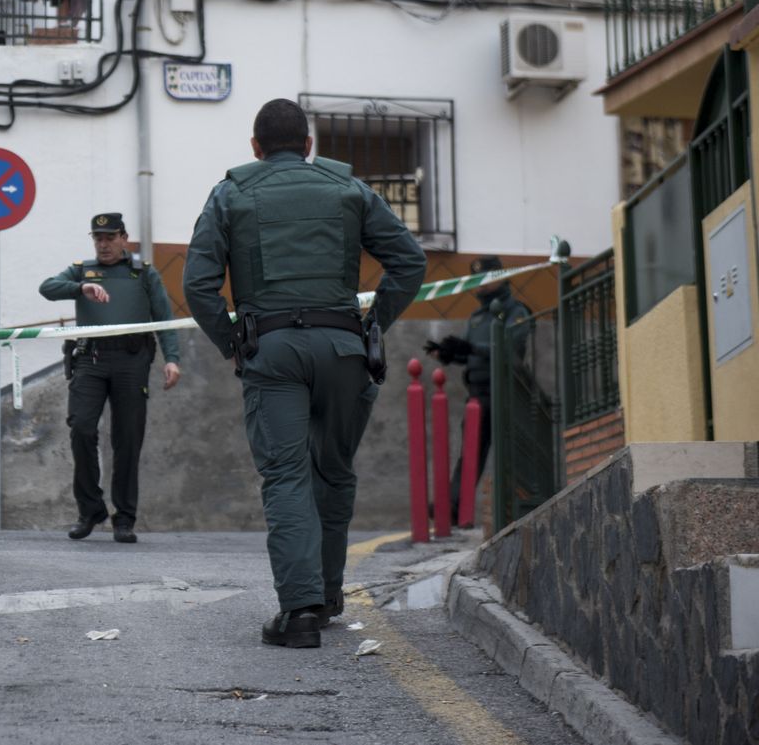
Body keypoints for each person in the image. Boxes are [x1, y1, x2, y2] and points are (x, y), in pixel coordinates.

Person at [183, 98, 426, 649]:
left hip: (273, 353)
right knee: (333, 472)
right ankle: (329, 596)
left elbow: (197, 286)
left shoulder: (232, 193)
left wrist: (233, 344)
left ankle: (300, 613)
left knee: (287, 476)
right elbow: (409, 261)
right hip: (343, 349)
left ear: (255, 147)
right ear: (310, 146)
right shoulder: (348, 189)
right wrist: (373, 324)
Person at [39, 213, 182, 544]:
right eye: (97, 238)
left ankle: (125, 516)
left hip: (132, 360)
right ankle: (90, 509)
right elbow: (47, 288)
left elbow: (164, 316)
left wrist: (172, 359)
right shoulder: (82, 270)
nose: (103, 244)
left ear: (123, 238)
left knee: (128, 439)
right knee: (81, 427)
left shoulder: (142, 272)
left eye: (109, 237)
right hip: (90, 359)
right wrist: (81, 287)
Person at [426, 256, 531, 524]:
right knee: (470, 452)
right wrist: (448, 354)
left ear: (499, 277)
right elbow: (472, 354)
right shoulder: (476, 318)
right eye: (475, 281)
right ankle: (454, 508)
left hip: (505, 393)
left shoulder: (516, 311)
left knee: (510, 455)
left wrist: (471, 349)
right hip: (478, 392)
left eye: (482, 280)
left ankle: (517, 506)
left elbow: (510, 349)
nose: (478, 287)